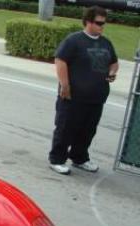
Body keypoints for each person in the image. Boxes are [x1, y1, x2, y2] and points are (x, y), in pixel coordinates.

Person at [48, 6, 118, 175]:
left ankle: (79, 158)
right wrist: (65, 85)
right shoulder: (74, 40)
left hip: (96, 97)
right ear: (88, 22)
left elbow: (114, 63)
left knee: (87, 130)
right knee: (66, 128)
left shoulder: (106, 42)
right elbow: (60, 61)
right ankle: (57, 159)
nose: (102, 26)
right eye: (98, 23)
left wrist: (112, 72)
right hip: (73, 96)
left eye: (104, 23)